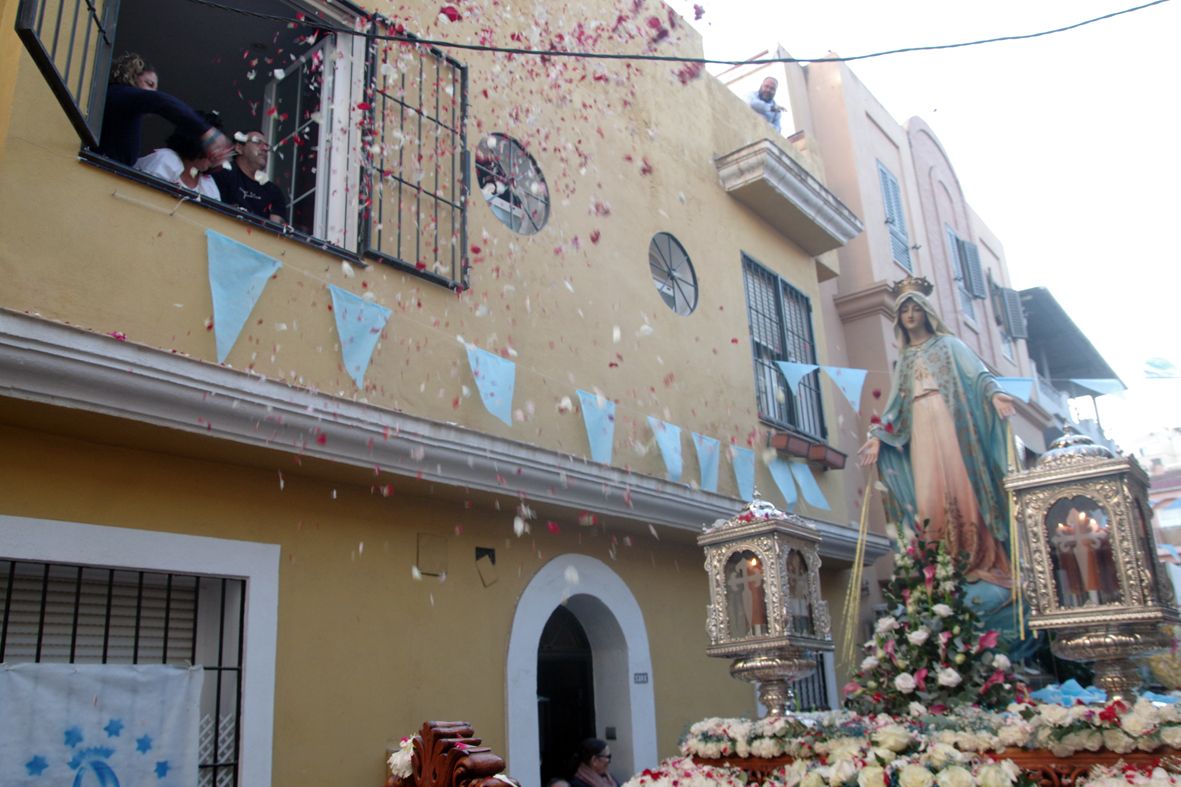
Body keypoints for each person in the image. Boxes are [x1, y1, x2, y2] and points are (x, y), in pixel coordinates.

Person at [858, 276, 1016, 588]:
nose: (911, 315)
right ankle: (941, 562)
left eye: (916, 309)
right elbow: (894, 407)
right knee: (928, 491)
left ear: (927, 312)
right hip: (920, 428)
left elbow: (977, 376)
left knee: (961, 484)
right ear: (900, 319)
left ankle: (976, 555)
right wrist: (878, 436)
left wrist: (994, 395)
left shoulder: (950, 345)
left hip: (951, 424)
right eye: (905, 311)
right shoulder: (905, 360)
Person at [98, 52, 230, 167]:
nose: (152, 92)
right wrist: (207, 131)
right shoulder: (119, 94)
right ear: (131, 76)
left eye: (155, 89)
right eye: (149, 84)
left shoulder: (125, 106)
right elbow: (160, 101)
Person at [134, 110, 224, 199]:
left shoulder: (208, 183)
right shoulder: (166, 159)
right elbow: (144, 198)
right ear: (195, 141)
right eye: (213, 145)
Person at [213, 130, 288, 224]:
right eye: (257, 142)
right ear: (239, 148)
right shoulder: (222, 174)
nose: (264, 148)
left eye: (266, 145)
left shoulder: (273, 192)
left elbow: (277, 231)